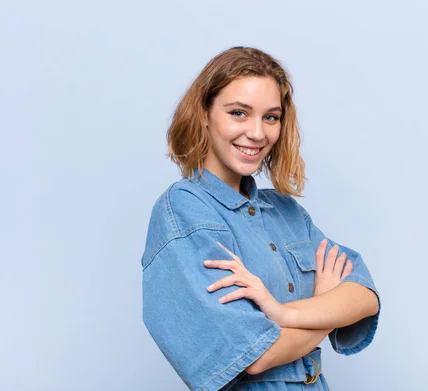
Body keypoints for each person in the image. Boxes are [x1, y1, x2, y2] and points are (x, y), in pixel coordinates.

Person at [141, 46, 381, 391]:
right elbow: (254, 356)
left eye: (271, 117)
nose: (257, 133)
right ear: (204, 114)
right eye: (239, 113)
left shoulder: (287, 213)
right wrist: (325, 308)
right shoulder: (184, 210)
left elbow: (365, 296)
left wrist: (285, 314)